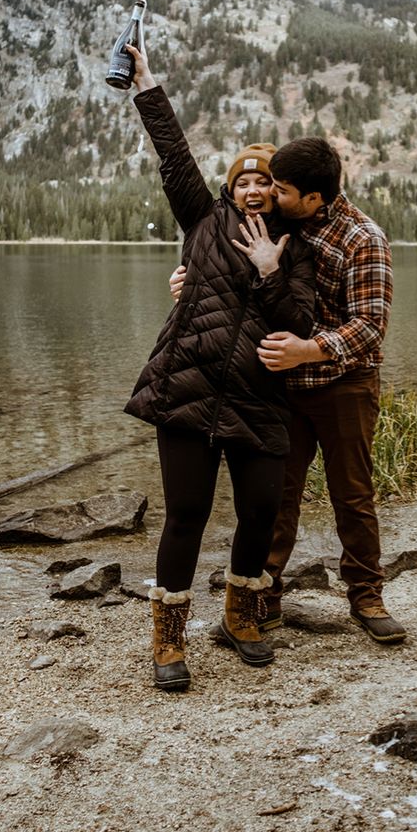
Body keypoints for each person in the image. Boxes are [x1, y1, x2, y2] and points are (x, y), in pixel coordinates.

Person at [123, 46, 316, 692]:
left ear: (278, 193)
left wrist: (268, 271)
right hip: (188, 389)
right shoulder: (201, 219)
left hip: (259, 398)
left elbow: (302, 323)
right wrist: (147, 85)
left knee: (260, 511)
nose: (255, 187)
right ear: (231, 187)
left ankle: (239, 616)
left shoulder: (294, 249)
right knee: (186, 515)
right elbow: (174, 155)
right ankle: (168, 640)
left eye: (265, 180)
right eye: (244, 179)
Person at [172, 136, 406, 645]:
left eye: (280, 187)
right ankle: (263, 590)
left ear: (315, 197)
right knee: (277, 497)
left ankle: (366, 593)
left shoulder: (363, 238)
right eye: (267, 185)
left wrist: (309, 348)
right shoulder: (276, 222)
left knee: (353, 494)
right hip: (281, 386)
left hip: (344, 383)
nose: (269, 194)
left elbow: (370, 326)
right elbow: (221, 265)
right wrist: (188, 281)